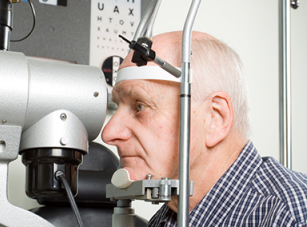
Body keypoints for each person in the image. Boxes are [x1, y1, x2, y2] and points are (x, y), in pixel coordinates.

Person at [102, 31, 307, 226]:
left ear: (214, 118)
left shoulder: (290, 217)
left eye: (140, 106)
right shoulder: (166, 220)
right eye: (118, 106)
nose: (108, 133)